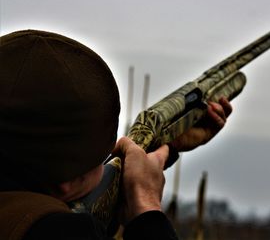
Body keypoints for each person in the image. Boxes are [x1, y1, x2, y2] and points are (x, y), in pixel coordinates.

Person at [0, 30, 232, 240]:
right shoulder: (62, 230)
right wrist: (146, 206)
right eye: (101, 159)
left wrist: (169, 146)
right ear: (67, 182)